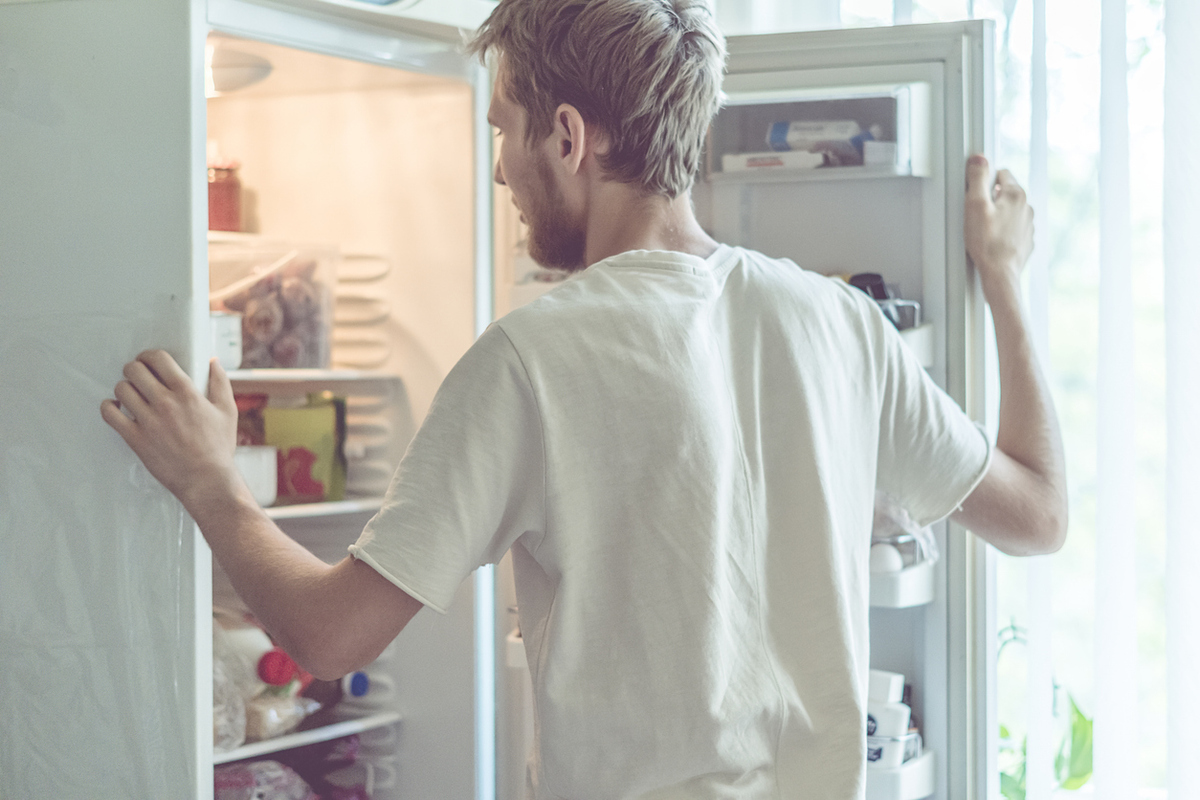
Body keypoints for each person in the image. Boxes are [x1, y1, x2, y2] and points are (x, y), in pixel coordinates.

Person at [100, 0, 1066, 796]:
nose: (497, 170)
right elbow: (1038, 513)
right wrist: (1006, 281)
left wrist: (210, 481)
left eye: (505, 133)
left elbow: (327, 635)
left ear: (566, 135)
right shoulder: (842, 324)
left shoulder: (530, 360)